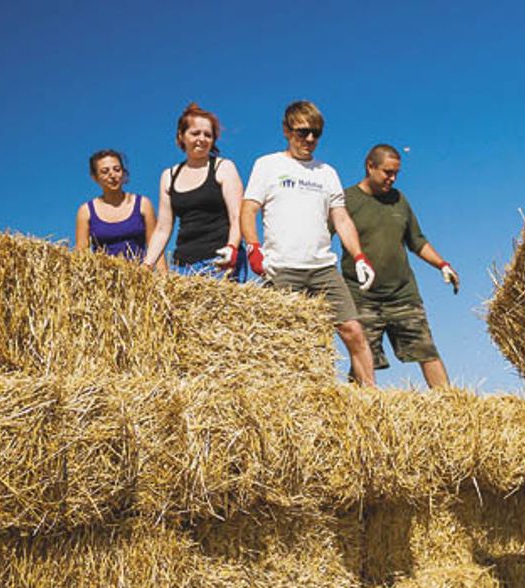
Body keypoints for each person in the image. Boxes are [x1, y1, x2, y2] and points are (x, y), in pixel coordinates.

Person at [240, 101, 375, 386]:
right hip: (282, 268)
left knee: (353, 330)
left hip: (322, 268)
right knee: (283, 339)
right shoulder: (268, 165)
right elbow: (248, 209)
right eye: (303, 132)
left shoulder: (327, 173)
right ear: (287, 130)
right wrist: (253, 246)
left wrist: (360, 257)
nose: (310, 140)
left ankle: (371, 400)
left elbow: (341, 219)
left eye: (316, 133)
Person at [339, 144, 459, 388]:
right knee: (363, 360)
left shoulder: (399, 200)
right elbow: (324, 233)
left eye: (396, 173)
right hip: (362, 297)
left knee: (426, 350)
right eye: (387, 172)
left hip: (403, 295)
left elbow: (416, 241)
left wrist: (442, 264)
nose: (392, 179)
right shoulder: (347, 200)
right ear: (370, 166)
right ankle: (358, 416)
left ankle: (452, 406)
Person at [142, 103, 243, 277]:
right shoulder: (169, 176)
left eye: (208, 135)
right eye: (195, 133)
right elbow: (163, 229)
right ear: (181, 136)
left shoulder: (224, 168)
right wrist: (146, 266)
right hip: (183, 266)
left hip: (219, 261)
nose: (202, 139)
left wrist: (231, 248)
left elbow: (237, 217)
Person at [74, 149, 155, 262]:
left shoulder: (143, 204)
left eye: (117, 169)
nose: (112, 175)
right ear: (95, 177)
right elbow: (80, 256)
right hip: (102, 277)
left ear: (123, 172)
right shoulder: (85, 211)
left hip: (140, 275)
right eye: (104, 171)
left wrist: (164, 277)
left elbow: (156, 248)